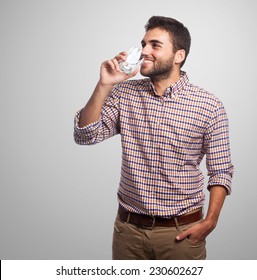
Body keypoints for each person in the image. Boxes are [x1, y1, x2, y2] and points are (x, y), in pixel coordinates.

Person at [74, 16, 234, 260]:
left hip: (181, 234)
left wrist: (210, 221)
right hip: (128, 233)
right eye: (143, 44)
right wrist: (104, 84)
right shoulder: (123, 93)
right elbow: (85, 135)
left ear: (178, 56)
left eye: (155, 45)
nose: (144, 51)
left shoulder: (209, 105)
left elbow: (221, 170)